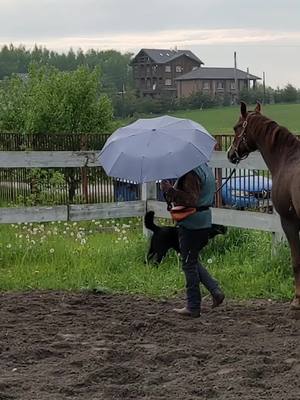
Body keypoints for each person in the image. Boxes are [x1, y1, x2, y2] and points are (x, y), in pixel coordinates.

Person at [160, 163, 225, 318]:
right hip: (203, 222)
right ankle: (215, 291)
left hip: (191, 224)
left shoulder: (190, 173)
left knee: (188, 265)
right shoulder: (204, 168)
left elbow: (191, 199)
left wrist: (169, 190)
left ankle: (193, 306)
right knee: (192, 260)